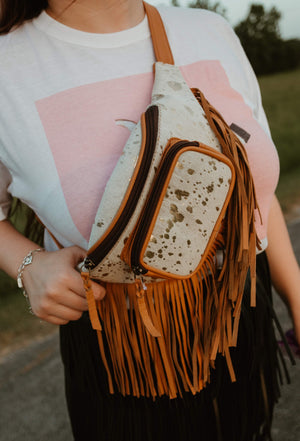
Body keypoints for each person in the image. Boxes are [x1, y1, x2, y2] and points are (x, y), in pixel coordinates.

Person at [0, 0, 299, 440]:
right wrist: (28, 264)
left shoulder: (210, 31)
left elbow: (255, 193)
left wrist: (294, 290)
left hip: (242, 316)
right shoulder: (9, 66)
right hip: (127, 354)